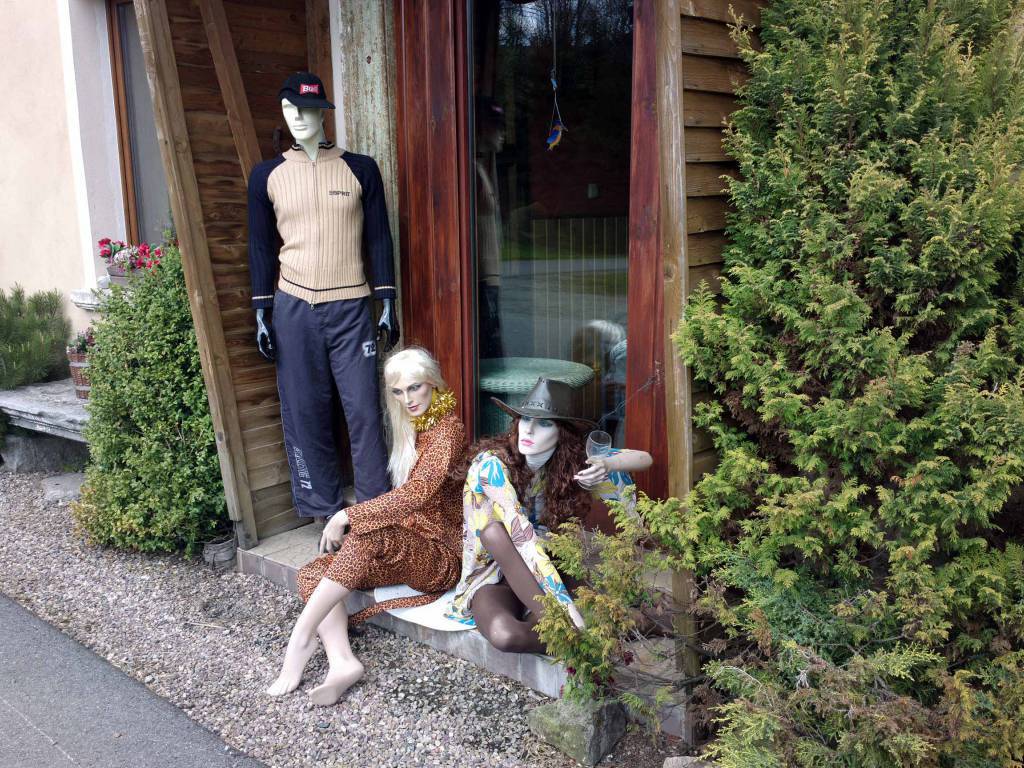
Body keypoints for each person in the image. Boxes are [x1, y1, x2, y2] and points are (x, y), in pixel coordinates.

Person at [267, 347, 464, 705]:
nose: (408, 399)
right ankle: (342, 662)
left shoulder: (448, 429)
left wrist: (346, 515)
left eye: (415, 387)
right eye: (398, 392)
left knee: (367, 532)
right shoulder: (414, 426)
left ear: (433, 383)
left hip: (441, 557)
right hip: (410, 548)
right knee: (313, 574)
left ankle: (301, 636)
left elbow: (416, 494)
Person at [446, 377, 652, 653]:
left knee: (593, 611)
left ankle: (600, 628)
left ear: (562, 433)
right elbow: (523, 539)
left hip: (548, 566)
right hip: (495, 574)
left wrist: (606, 464)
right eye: (525, 419)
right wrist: (569, 616)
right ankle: (582, 635)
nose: (529, 429)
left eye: (544, 423)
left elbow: (644, 458)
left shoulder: (566, 464)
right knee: (505, 633)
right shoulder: (491, 467)